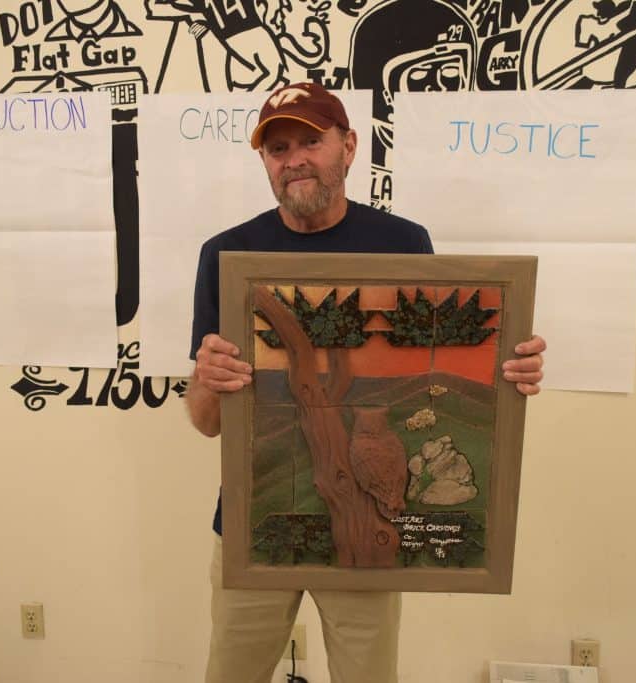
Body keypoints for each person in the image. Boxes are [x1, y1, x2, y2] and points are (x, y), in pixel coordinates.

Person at [186, 82, 546, 683]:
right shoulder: (226, 254)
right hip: (253, 524)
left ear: (349, 147)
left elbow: (445, 358)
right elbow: (205, 421)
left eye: (310, 140)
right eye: (278, 148)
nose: (294, 157)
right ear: (265, 163)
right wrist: (206, 379)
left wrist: (508, 371)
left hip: (367, 528)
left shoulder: (404, 244)